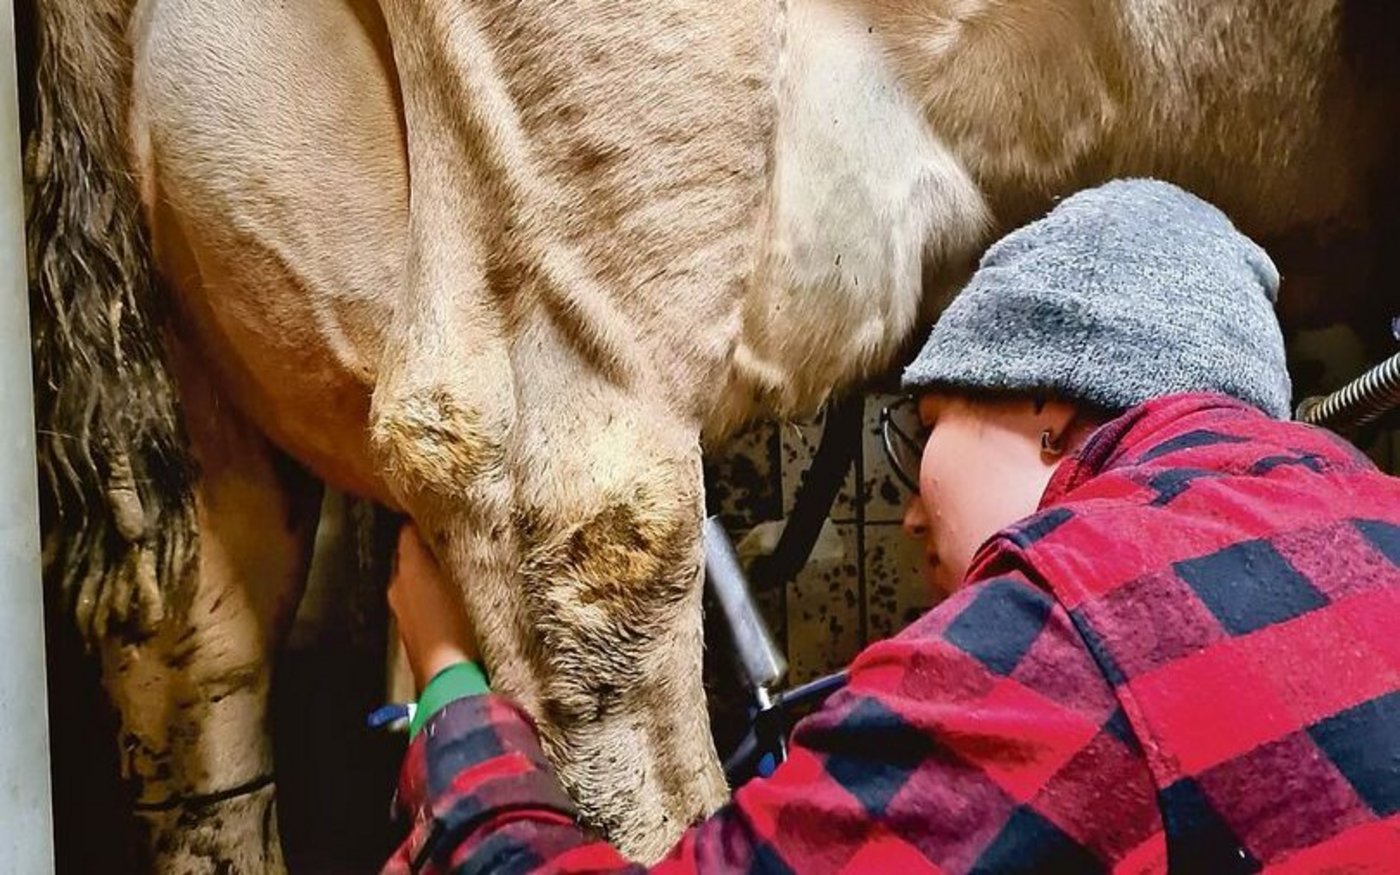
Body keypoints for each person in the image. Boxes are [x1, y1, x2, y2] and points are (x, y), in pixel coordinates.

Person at [383, 179, 1400, 873]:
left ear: (1047, 403)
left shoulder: (1068, 622)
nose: (910, 507)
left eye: (925, 433)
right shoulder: (1371, 515)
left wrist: (446, 675)